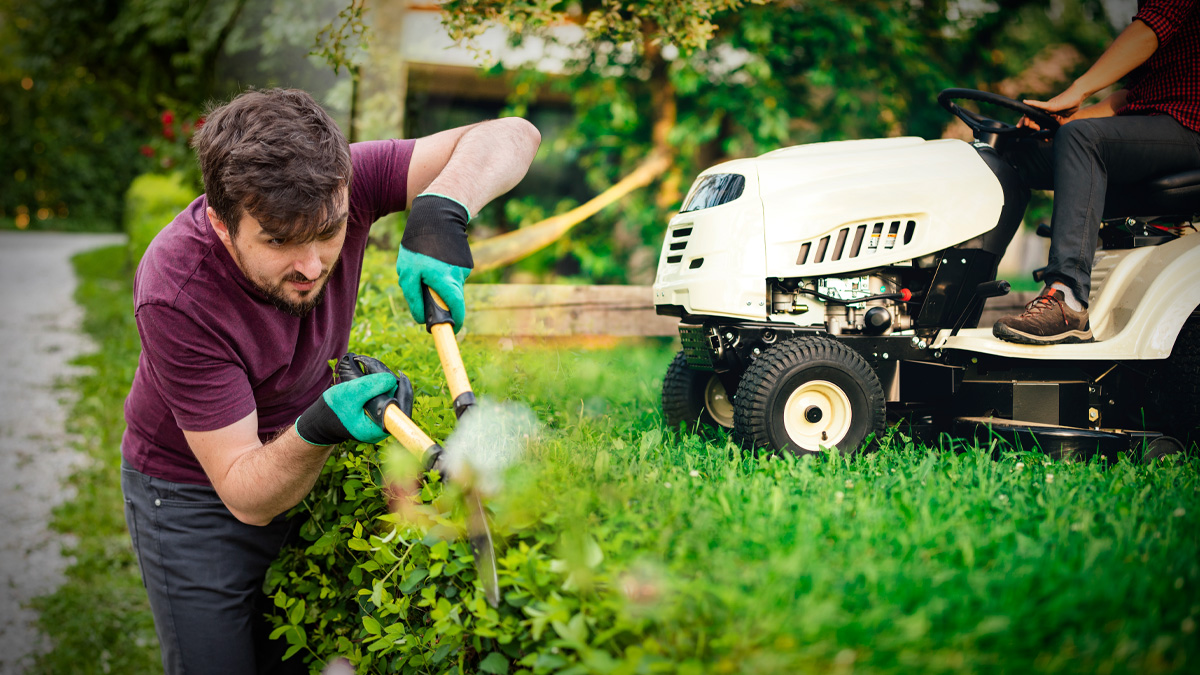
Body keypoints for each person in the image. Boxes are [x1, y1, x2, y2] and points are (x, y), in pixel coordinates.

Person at [119, 88, 539, 674]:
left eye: (328, 231)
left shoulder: (341, 181)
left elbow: (515, 134)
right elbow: (245, 495)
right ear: (220, 223)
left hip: (291, 467)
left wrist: (442, 208)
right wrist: (320, 426)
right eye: (278, 240)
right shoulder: (177, 290)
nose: (312, 266)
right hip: (192, 494)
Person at [993, 0, 1200, 345]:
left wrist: (1077, 91)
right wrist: (1064, 121)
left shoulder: (1157, 19)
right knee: (1017, 152)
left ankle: (1067, 300)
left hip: (1191, 127)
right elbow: (1134, 98)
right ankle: (959, 297)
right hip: (1152, 127)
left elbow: (1151, 29)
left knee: (1081, 139)